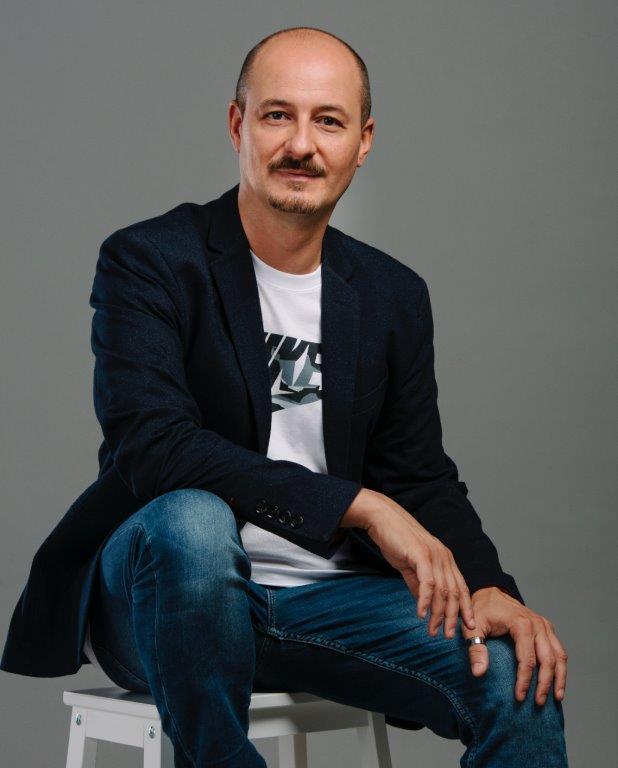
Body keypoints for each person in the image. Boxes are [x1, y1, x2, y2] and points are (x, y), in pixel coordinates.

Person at [1, 25, 569, 768]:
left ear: (363, 143)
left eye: (328, 121)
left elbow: (418, 473)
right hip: (165, 601)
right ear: (238, 124)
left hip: (328, 605)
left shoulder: (391, 294)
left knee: (518, 680)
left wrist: (490, 586)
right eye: (278, 115)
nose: (301, 144)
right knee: (194, 521)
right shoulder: (151, 261)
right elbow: (152, 446)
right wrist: (359, 506)